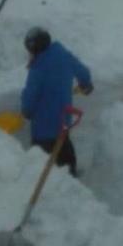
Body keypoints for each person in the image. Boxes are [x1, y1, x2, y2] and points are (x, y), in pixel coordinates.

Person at [20, 27, 92, 178]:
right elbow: (83, 72)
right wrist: (86, 84)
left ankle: (52, 186)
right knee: (65, 151)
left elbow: (30, 96)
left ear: (35, 48)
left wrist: (26, 110)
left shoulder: (38, 68)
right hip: (64, 120)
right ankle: (72, 177)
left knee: (40, 162)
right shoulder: (63, 54)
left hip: (43, 127)